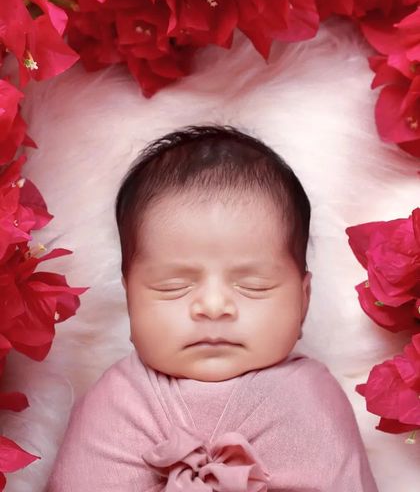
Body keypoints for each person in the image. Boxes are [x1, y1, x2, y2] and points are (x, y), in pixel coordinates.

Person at [47, 124, 378, 491]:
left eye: (254, 285)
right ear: (130, 299)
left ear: (304, 300)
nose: (214, 306)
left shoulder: (313, 402)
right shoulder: (113, 404)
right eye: (173, 286)